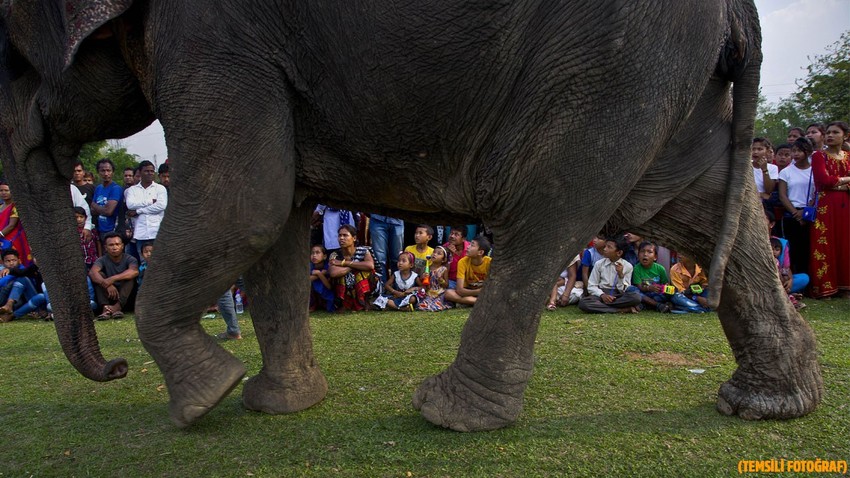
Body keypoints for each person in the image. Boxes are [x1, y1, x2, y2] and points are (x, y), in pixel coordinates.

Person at [809, 121, 850, 298]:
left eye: (835, 132)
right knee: (825, 243)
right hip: (826, 206)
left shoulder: (848, 156)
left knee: (845, 242)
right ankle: (825, 287)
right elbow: (824, 181)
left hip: (845, 204)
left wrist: (839, 183)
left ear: (845, 136)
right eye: (828, 133)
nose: (830, 135)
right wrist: (846, 180)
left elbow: (831, 181)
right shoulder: (819, 156)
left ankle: (845, 286)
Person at [777, 137, 814, 275]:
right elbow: (782, 195)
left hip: (810, 213)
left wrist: (805, 211)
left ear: (808, 152)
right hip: (791, 214)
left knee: (808, 248)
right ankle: (791, 278)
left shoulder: (814, 171)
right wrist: (795, 213)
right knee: (792, 248)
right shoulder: (786, 172)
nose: (795, 154)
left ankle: (808, 279)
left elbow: (816, 193)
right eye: (794, 151)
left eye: (799, 151)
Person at [578, 236, 641, 314]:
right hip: (601, 293)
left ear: (619, 253)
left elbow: (624, 289)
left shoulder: (627, 266)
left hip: (618, 295)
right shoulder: (599, 264)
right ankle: (621, 310)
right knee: (583, 303)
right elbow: (592, 286)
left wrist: (620, 275)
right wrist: (602, 295)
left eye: (609, 247)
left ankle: (604, 307)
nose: (605, 249)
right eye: (605, 246)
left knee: (636, 297)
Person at [89, 232, 139, 319]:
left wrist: (112, 279)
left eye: (117, 244)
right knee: (99, 275)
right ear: (106, 247)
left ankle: (117, 307)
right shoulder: (102, 260)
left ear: (122, 246)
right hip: (109, 295)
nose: (114, 247)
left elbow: (134, 271)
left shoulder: (130, 259)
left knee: (130, 277)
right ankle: (105, 308)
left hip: (126, 297)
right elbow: (92, 272)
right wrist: (107, 285)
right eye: (111, 245)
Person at [328, 224, 376, 311]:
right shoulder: (334, 254)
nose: (341, 238)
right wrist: (355, 266)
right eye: (340, 235)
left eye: (345, 235)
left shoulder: (364, 250)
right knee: (341, 275)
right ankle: (342, 304)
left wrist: (343, 263)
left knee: (364, 273)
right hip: (347, 285)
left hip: (364, 284)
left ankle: (365, 301)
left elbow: (370, 265)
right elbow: (333, 273)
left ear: (354, 238)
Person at [125, 160, 168, 252]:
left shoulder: (160, 188)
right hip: (141, 233)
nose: (150, 173)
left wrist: (138, 211)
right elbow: (130, 205)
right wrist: (150, 201)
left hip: (158, 232)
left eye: (152, 171)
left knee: (160, 261)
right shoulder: (132, 190)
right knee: (143, 262)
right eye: (146, 171)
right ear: (140, 173)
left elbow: (161, 206)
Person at [444, 235, 492, 306]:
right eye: (469, 244)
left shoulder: (490, 262)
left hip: (482, 292)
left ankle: (467, 301)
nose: (468, 247)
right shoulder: (462, 262)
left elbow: (491, 288)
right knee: (448, 293)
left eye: (472, 245)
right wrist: (478, 292)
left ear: (480, 252)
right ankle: (481, 302)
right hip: (469, 290)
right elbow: (460, 290)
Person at [0, 249, 44, 322]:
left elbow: (22, 272)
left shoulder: (23, 269)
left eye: (14, 260)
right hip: (12, 300)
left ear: (19, 260)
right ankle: (8, 308)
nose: (11, 263)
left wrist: (10, 272)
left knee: (22, 280)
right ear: (3, 263)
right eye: (8, 261)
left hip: (34, 300)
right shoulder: (2, 269)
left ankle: (11, 312)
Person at [631, 241, 672, 313]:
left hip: (657, 295)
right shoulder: (636, 268)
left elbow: (665, 284)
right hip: (644, 294)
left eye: (649, 252)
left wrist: (663, 288)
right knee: (632, 289)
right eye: (642, 251)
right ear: (638, 255)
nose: (645, 254)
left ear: (655, 257)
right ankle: (657, 305)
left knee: (671, 292)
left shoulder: (660, 268)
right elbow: (639, 287)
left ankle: (647, 305)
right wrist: (649, 288)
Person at [0, 182, 32, 266]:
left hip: (13, 239)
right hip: (1, 238)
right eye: (1, 190)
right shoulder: (0, 206)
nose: (3, 193)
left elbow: (11, 225)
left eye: (6, 190)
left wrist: (0, 234)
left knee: (13, 262)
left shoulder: (15, 206)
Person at [90, 158, 124, 237]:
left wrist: (93, 204)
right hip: (100, 229)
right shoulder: (98, 188)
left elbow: (108, 211)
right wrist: (102, 209)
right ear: (98, 172)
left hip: (113, 231)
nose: (106, 174)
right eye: (103, 171)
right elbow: (92, 211)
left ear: (113, 172)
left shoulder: (115, 188)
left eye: (108, 170)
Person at [368, 214, 404, 286]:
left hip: (397, 220)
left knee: (397, 257)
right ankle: (381, 287)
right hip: (377, 218)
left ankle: (398, 285)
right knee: (379, 258)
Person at [418, 245, 450, 311]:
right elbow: (420, 282)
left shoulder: (444, 269)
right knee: (421, 305)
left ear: (443, 259)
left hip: (439, 293)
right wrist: (422, 277)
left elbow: (446, 285)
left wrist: (441, 280)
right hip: (428, 292)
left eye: (439, 254)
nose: (435, 254)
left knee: (437, 305)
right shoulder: (426, 268)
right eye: (434, 252)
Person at [752, 137, 779, 203]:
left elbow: (769, 190)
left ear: (767, 151)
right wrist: (760, 194)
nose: (755, 152)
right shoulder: (746, 166)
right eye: (753, 149)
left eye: (760, 149)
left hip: (763, 204)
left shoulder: (773, 168)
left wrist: (764, 169)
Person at [309, 244, 335, 312]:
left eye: (317, 253)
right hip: (315, 295)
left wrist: (319, 274)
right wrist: (320, 274)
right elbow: (305, 281)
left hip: (326, 296)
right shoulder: (310, 266)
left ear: (324, 256)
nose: (314, 255)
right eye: (312, 253)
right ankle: (313, 304)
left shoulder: (328, 266)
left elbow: (329, 287)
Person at [443, 226, 469, 291]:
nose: (452, 236)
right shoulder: (444, 248)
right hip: (450, 281)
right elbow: (442, 272)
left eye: (456, 234)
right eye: (451, 233)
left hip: (466, 282)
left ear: (463, 238)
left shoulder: (470, 248)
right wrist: (450, 255)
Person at [75, 206, 101, 271]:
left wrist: (100, 257)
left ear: (86, 218)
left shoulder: (91, 229)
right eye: (76, 217)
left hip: (94, 259)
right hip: (81, 262)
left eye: (81, 217)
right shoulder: (73, 232)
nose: (79, 219)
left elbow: (98, 242)